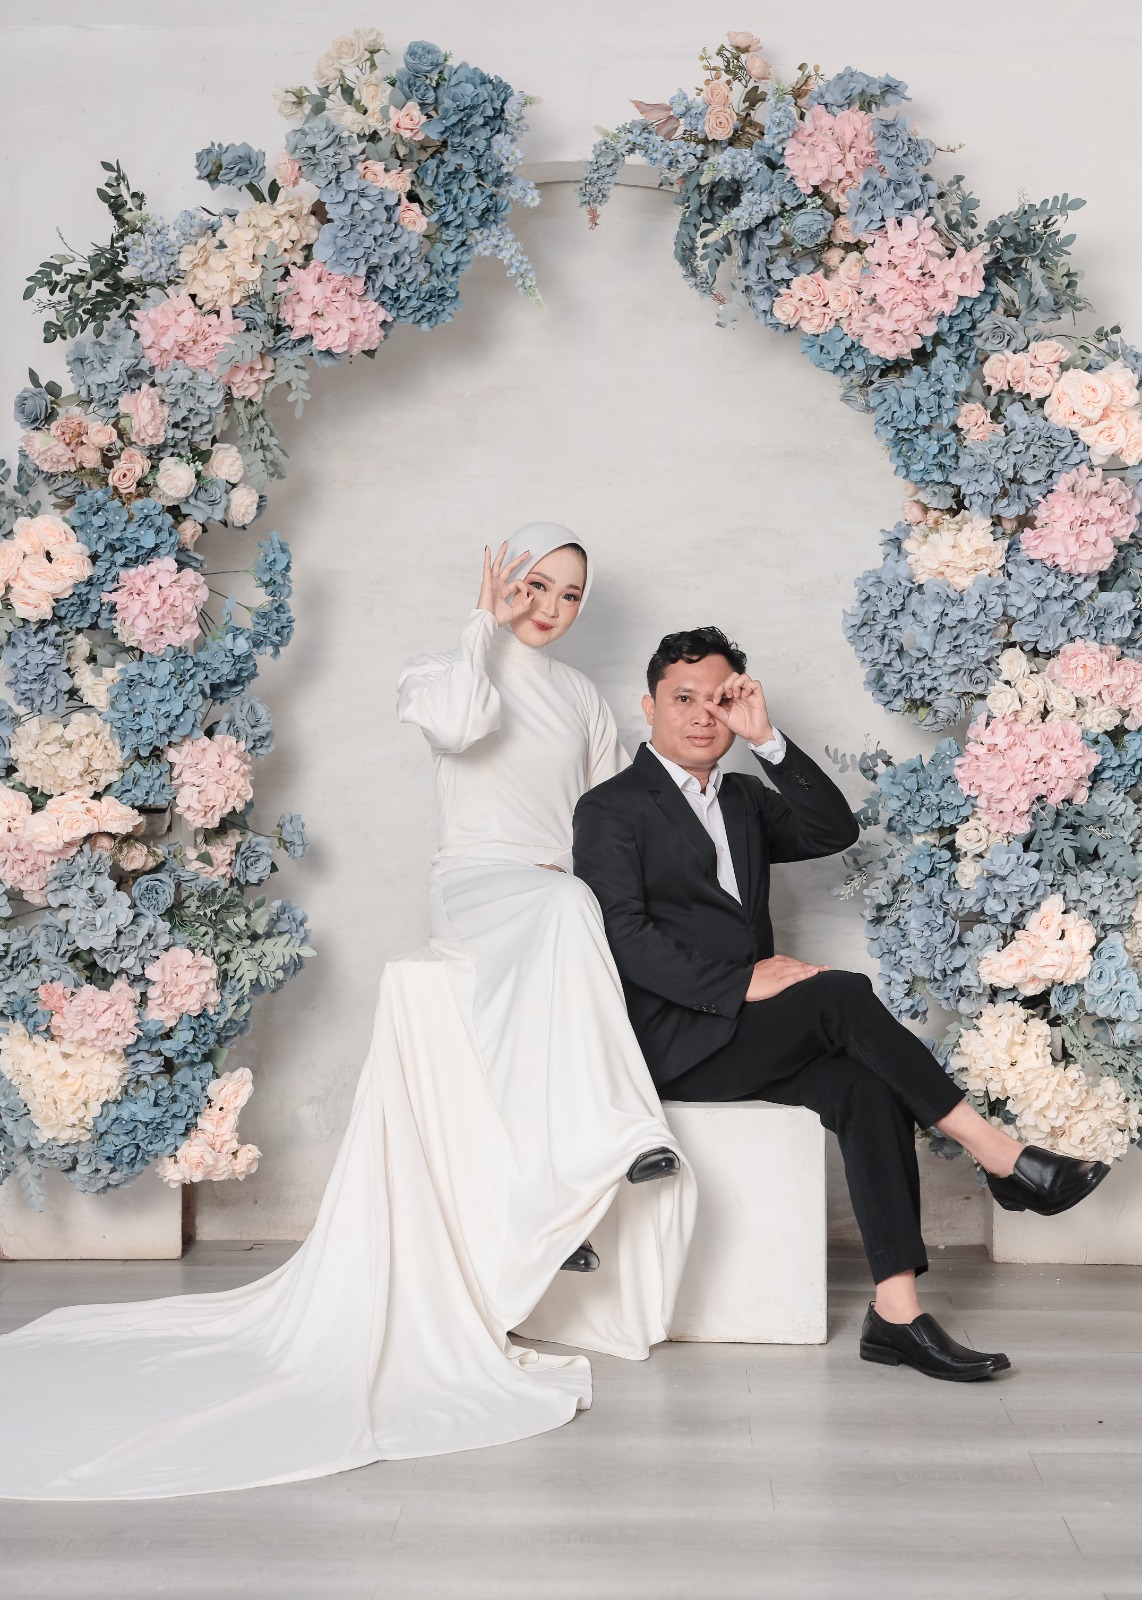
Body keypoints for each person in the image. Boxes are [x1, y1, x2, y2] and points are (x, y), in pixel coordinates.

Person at [0, 527, 694, 1500]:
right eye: (536, 584)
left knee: (572, 919)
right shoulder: (444, 668)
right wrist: (479, 624)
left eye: (569, 595)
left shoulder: (581, 697)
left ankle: (545, 1203)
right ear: (506, 583)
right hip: (478, 883)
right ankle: (613, 1141)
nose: (550, 606)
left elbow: (609, 812)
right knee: (565, 911)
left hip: (552, 889)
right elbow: (460, 728)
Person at [573, 626, 1109, 1383]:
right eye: (682, 698)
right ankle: (999, 1155)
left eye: (718, 700)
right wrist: (739, 983)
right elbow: (622, 937)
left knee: (865, 1087)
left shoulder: (741, 798)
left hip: (743, 1035)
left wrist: (769, 741)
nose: (700, 715)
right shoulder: (610, 808)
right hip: (676, 1039)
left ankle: (897, 1313)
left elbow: (833, 829)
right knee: (840, 995)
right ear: (649, 706)